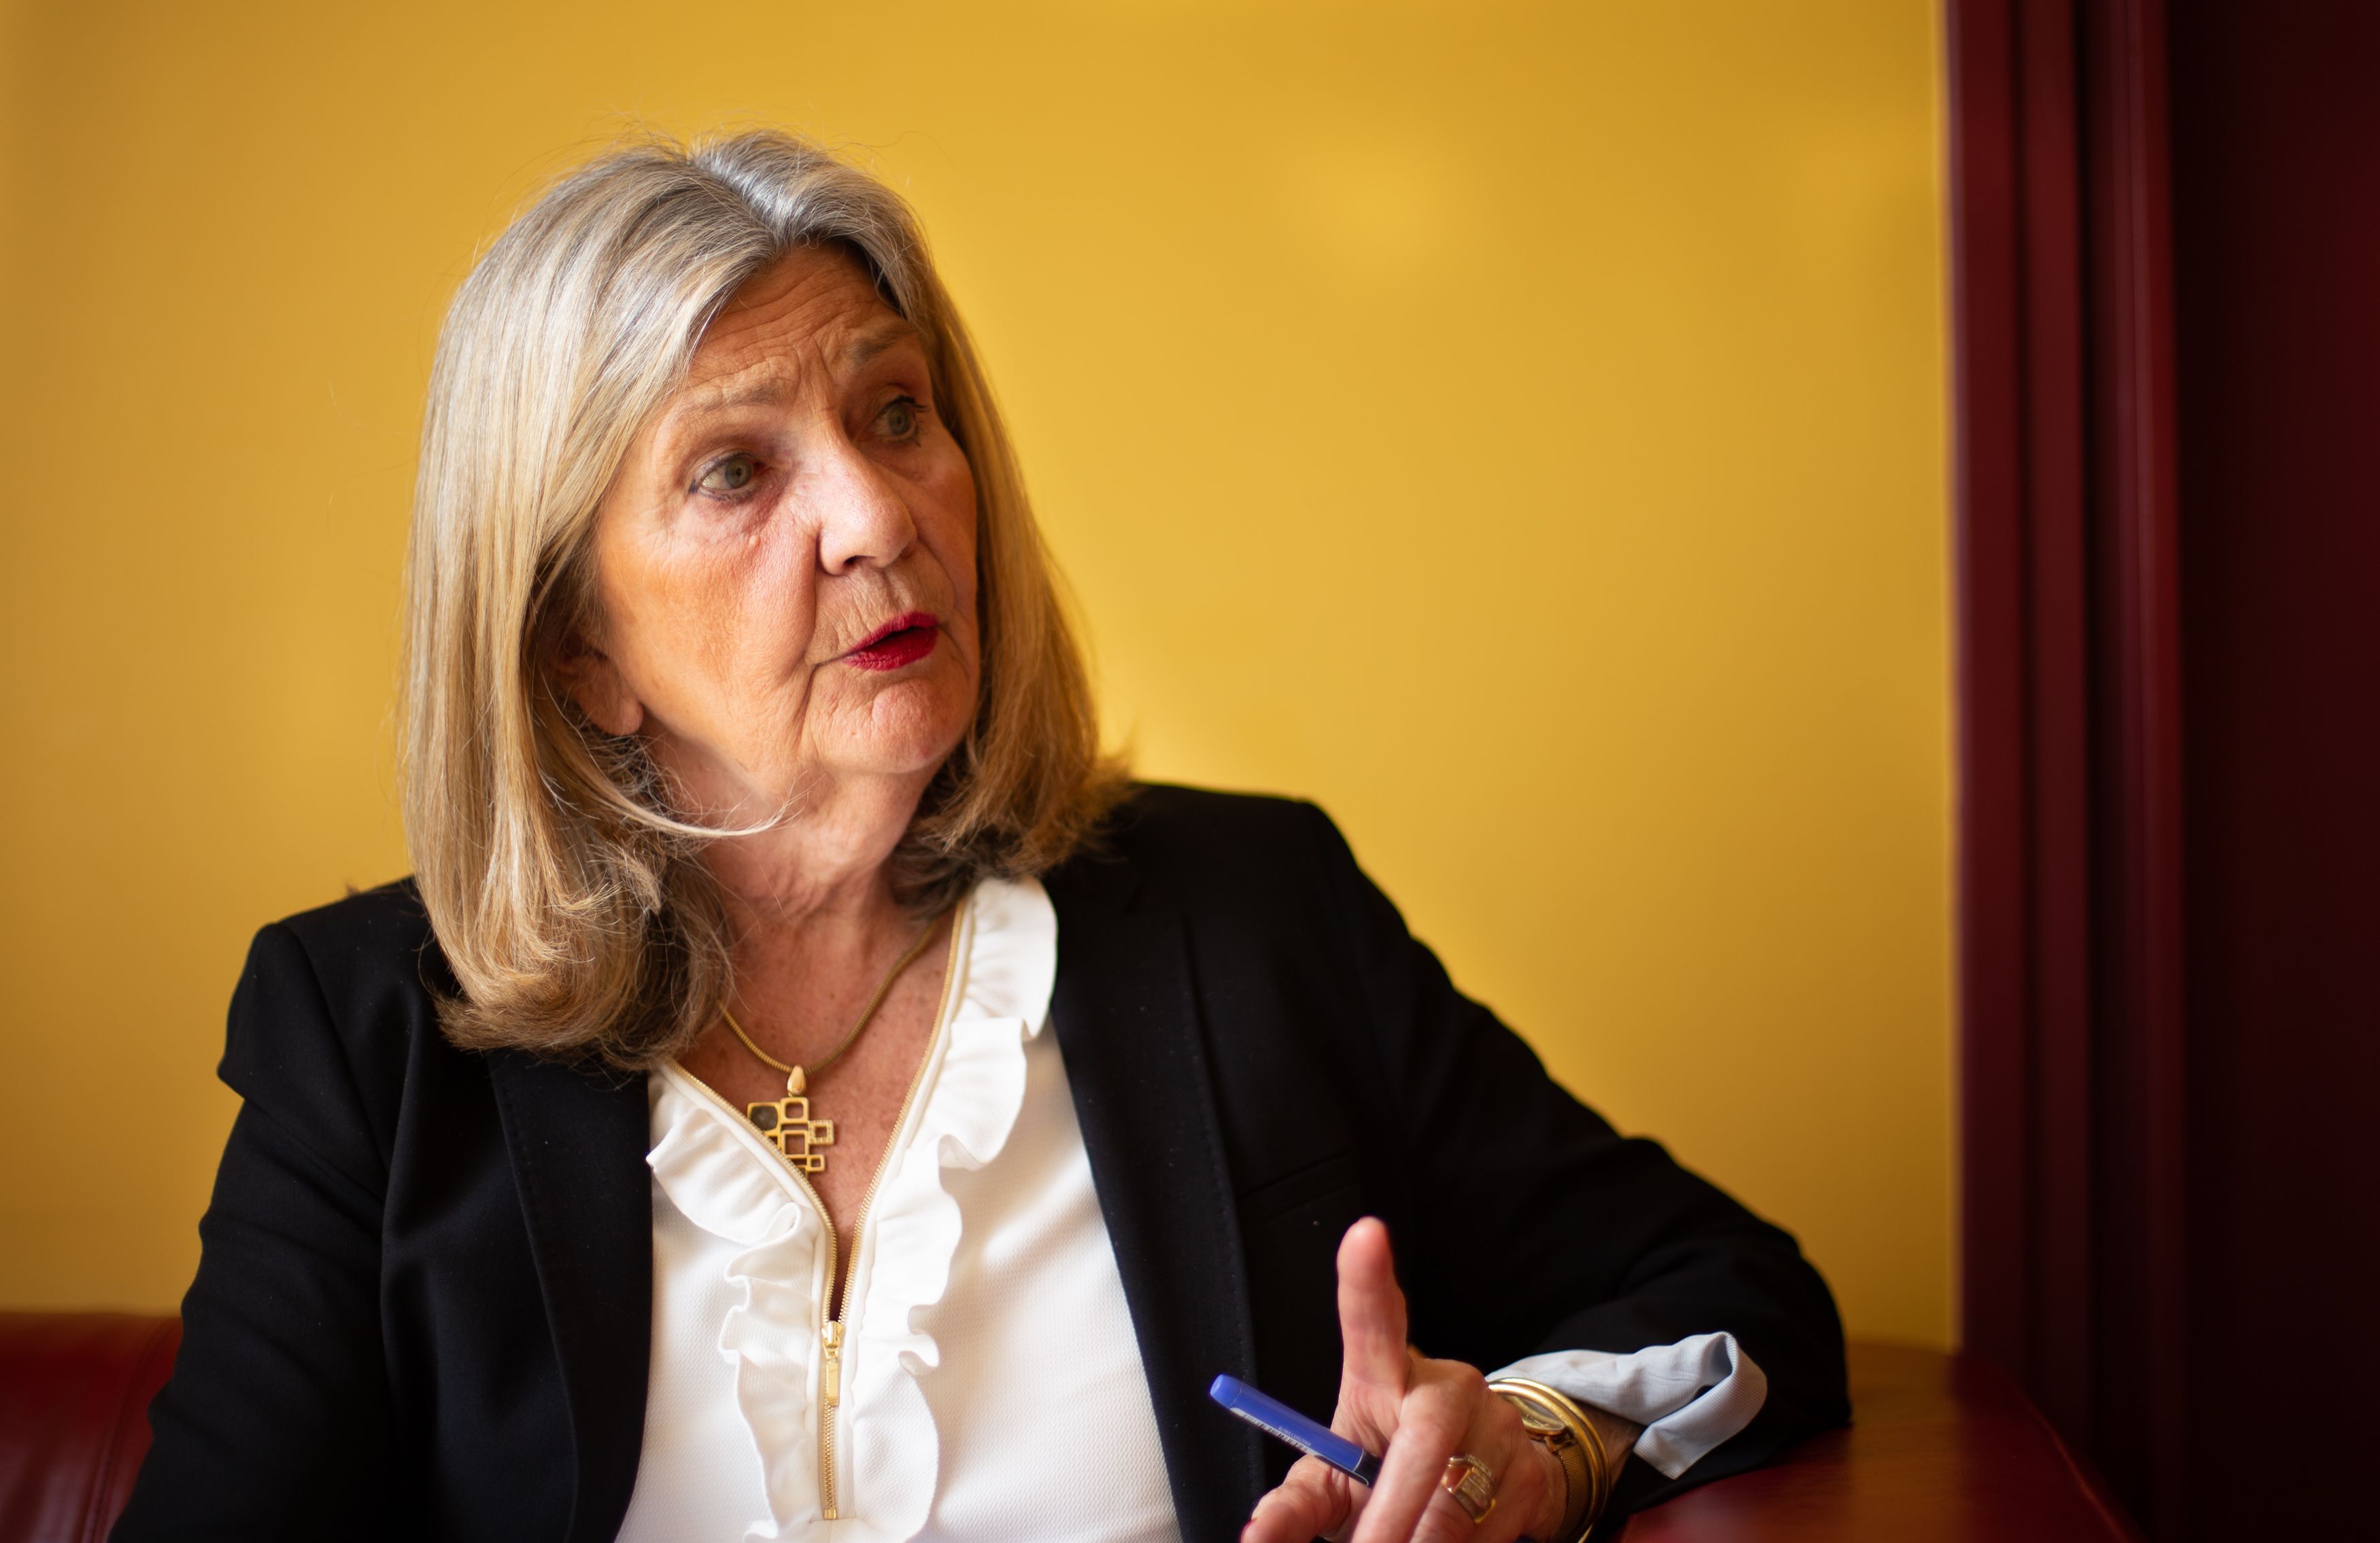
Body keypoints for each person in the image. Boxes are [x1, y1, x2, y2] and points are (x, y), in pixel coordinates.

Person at [113, 132, 1847, 1543]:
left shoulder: (1246, 920)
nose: (875, 514)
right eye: (736, 472)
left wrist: (1537, 1445)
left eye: (895, 414)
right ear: (579, 647)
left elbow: (1733, 1295)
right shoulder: (370, 1043)